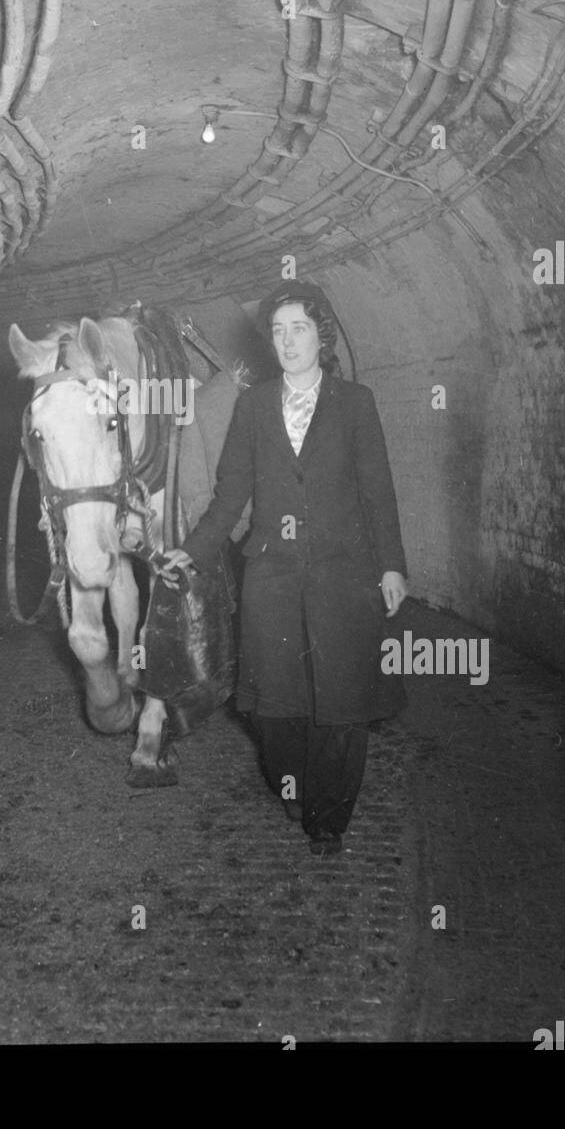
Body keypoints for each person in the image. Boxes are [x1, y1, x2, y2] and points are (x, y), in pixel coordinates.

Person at [159, 282, 408, 856]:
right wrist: (192, 550)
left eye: (298, 328)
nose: (288, 340)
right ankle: (290, 782)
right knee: (274, 708)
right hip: (271, 577)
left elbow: (378, 493)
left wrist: (392, 566)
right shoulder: (252, 405)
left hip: (344, 577)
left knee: (341, 704)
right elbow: (230, 495)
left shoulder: (356, 403)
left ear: (321, 334)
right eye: (278, 330)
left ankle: (329, 818)